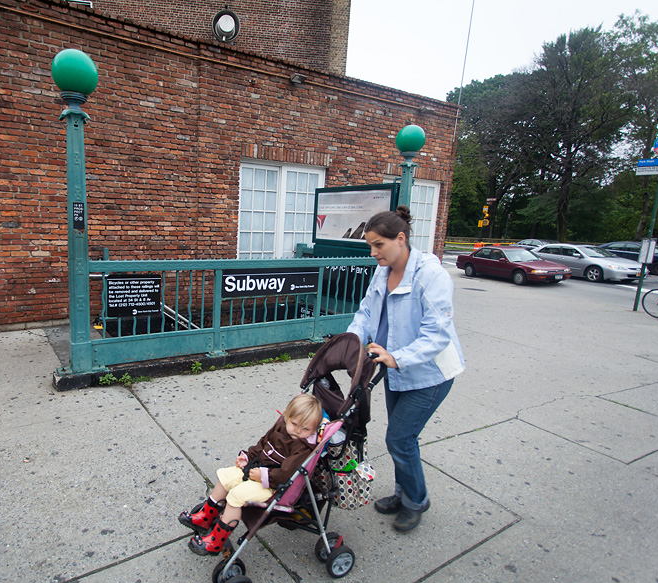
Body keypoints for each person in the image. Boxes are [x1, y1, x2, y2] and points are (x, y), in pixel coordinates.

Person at [347, 205, 465, 533]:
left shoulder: (431, 275)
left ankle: (416, 500)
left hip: (430, 375)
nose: (373, 253)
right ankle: (402, 494)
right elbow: (366, 312)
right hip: (394, 368)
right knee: (402, 438)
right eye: (370, 245)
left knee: (400, 438)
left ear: (400, 239)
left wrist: (397, 357)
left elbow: (437, 334)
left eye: (378, 245)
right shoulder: (382, 271)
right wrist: (350, 342)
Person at [179, 393, 326, 555]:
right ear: (286, 416)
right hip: (256, 468)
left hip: (272, 485)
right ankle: (205, 517)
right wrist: (247, 457)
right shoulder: (281, 427)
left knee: (236, 495)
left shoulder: (303, 448)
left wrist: (263, 476)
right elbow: (262, 444)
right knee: (225, 477)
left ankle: (216, 541)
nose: (298, 431)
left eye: (305, 429)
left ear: (313, 430)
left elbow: (286, 474)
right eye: (294, 424)